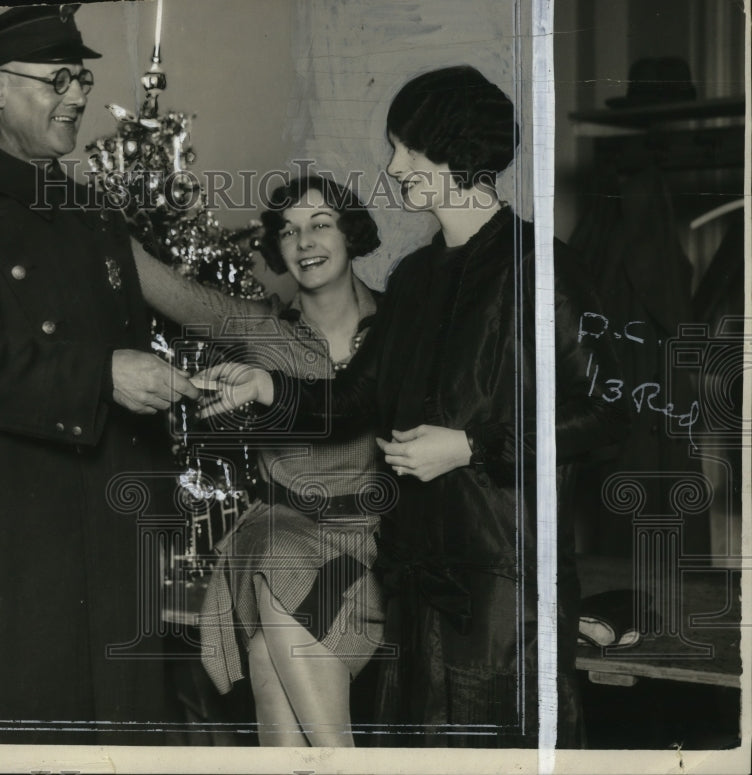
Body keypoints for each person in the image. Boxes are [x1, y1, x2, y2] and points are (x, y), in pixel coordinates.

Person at [197, 66, 628, 747]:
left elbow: (608, 413)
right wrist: (269, 389)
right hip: (414, 579)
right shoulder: (416, 278)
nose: (393, 164)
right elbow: (355, 398)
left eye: (406, 147)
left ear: (454, 153)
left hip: (503, 585)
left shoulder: (546, 270)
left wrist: (470, 446)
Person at [0, 5, 198, 744]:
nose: (79, 95)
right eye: (58, 79)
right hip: (9, 541)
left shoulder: (92, 214)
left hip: (109, 539)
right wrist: (101, 375)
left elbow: (130, 346)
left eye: (82, 76)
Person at [132, 175, 387, 746]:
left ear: (350, 234)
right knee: (276, 549)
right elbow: (164, 287)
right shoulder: (259, 328)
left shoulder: (398, 326)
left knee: (275, 677)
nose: (304, 242)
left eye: (320, 224)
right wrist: (78, 211)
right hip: (279, 528)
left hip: (364, 541)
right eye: (289, 231)